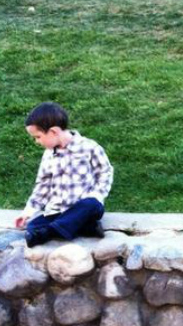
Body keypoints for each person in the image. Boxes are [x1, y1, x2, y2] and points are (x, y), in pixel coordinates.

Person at [16, 102, 113, 248]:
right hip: (59, 211)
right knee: (32, 226)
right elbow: (43, 185)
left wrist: (97, 195)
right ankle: (87, 228)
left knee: (91, 204)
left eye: (38, 137)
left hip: (85, 208)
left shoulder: (89, 147)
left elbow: (105, 172)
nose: (36, 141)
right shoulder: (48, 155)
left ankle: (49, 232)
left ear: (53, 132)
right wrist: (28, 211)